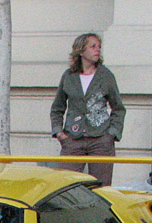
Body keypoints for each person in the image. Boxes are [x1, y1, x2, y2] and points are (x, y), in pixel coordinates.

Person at [50, 32, 126, 187]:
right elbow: (57, 107)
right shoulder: (69, 76)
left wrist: (111, 134)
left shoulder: (106, 76)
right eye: (93, 46)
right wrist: (59, 132)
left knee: (101, 187)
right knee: (65, 186)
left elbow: (118, 108)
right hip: (72, 139)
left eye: (99, 47)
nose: (97, 50)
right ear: (81, 50)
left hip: (101, 140)